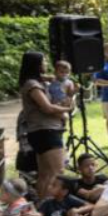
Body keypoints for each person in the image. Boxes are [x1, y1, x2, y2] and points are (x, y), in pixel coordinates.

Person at [17, 51, 73, 201]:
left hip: (41, 132)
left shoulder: (34, 81)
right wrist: (68, 108)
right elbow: (47, 108)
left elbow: (54, 78)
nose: (47, 64)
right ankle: (49, 207)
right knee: (57, 172)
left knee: (45, 174)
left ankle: (41, 206)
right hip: (46, 132)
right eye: (44, 61)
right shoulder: (33, 85)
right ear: (36, 64)